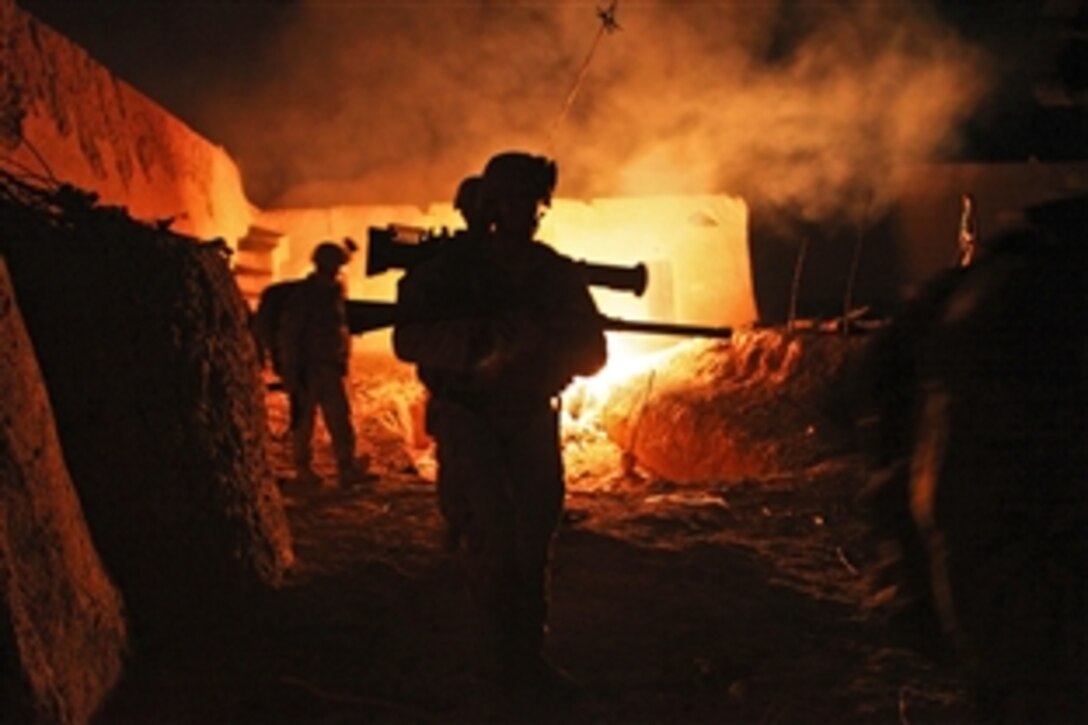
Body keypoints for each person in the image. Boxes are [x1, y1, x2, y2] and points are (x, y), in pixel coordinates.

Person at [393, 152, 607, 706]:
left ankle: (525, 659)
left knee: (533, 537)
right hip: (469, 417)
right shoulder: (448, 271)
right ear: (491, 204)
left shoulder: (554, 274)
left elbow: (593, 354)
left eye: (534, 203)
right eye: (515, 201)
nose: (526, 213)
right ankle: (495, 663)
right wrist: (481, 342)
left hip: (531, 416)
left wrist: (545, 343)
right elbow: (408, 339)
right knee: (491, 536)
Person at [277, 241, 370, 488]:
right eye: (336, 265)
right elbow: (290, 334)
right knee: (304, 422)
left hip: (330, 366)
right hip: (307, 369)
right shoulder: (305, 296)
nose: (338, 270)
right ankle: (304, 469)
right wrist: (291, 369)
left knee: (340, 419)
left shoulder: (333, 293)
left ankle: (346, 467)